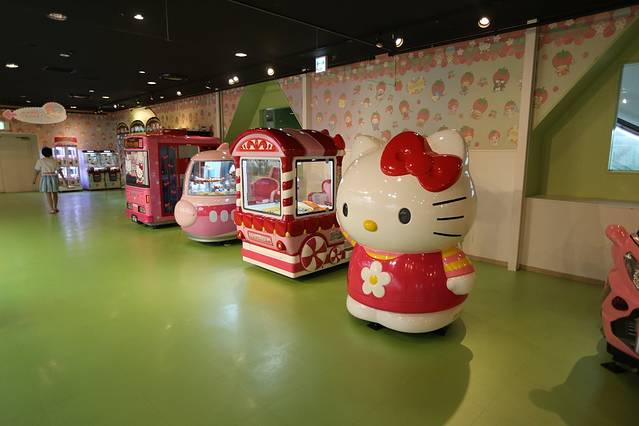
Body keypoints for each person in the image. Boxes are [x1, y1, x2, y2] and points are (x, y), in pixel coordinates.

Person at [33, 147, 67, 214]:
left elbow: (37, 171)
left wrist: (34, 179)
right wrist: (64, 179)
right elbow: (59, 171)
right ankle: (55, 207)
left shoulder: (40, 161)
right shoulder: (54, 160)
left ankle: (52, 209)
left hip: (45, 178)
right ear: (51, 153)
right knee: (55, 193)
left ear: (43, 153)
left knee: (48, 194)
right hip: (53, 178)